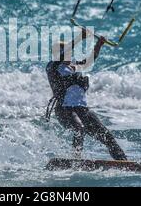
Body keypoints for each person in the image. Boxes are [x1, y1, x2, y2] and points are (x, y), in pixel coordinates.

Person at [46, 28, 127, 160]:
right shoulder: (52, 67)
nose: (69, 54)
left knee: (107, 137)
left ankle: (124, 162)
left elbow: (89, 60)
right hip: (65, 110)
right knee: (79, 128)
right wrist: (80, 37)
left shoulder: (74, 66)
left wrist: (99, 45)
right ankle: (76, 160)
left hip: (82, 110)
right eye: (64, 52)